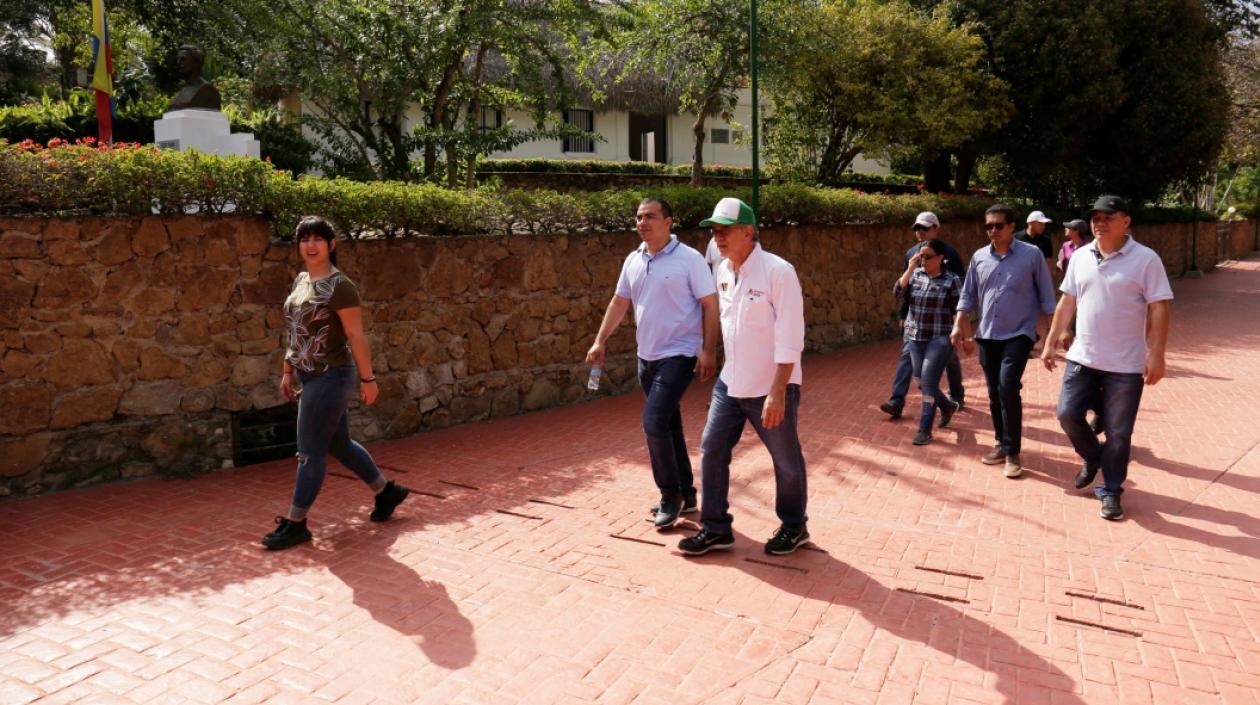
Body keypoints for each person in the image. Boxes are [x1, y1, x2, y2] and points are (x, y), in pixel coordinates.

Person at [263, 215, 409, 550]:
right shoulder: (302, 280)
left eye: (318, 238)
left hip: (331, 376)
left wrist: (368, 379)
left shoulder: (340, 285)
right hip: (308, 373)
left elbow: (356, 334)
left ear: (332, 245)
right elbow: (296, 331)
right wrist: (287, 369)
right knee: (338, 444)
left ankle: (296, 524)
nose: (310, 245)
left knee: (309, 453)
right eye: (304, 239)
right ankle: (387, 492)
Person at [678, 197, 809, 557]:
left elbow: (790, 335)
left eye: (725, 230)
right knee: (711, 449)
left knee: (785, 460)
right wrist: (708, 353)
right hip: (730, 382)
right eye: (714, 230)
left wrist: (778, 391)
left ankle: (795, 525)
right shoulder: (721, 269)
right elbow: (725, 323)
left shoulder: (778, 272)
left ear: (748, 232)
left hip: (770, 386)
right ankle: (716, 527)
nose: (717, 237)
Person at [586, 197, 719, 529]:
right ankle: (687, 494)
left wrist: (709, 350)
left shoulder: (689, 260)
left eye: (650, 217)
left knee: (654, 422)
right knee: (669, 425)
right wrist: (600, 340)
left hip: (680, 354)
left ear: (668, 221)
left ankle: (669, 495)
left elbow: (710, 305)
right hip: (646, 357)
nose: (642, 222)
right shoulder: (633, 259)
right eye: (638, 217)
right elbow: (620, 301)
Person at [1041, 196, 1173, 521]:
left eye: (1108, 217)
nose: (1100, 223)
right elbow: (1067, 300)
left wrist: (1156, 353)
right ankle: (1093, 456)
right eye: (1095, 217)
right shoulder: (1081, 255)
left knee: (1119, 433)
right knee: (1067, 415)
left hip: (1125, 367)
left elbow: (1159, 306)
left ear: (1126, 221)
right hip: (1082, 358)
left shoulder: (1146, 260)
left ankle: (1111, 491)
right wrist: (1051, 340)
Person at [951, 204, 1056, 479]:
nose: (993, 231)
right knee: (994, 392)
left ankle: (1012, 452)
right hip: (987, 334)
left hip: (1019, 333)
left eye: (998, 225)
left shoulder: (1031, 255)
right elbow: (967, 297)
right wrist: (958, 326)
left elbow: (1047, 297)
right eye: (988, 226)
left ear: (1012, 226)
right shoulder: (978, 257)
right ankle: (1001, 442)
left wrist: (1054, 335)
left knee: (1008, 386)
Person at [880, 211, 966, 419]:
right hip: (915, 320)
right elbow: (904, 287)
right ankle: (897, 400)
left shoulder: (950, 254)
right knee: (907, 357)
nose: (920, 232)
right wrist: (903, 315)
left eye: (925, 228)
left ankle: (956, 395)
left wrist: (959, 324)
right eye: (917, 228)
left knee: (951, 359)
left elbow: (960, 290)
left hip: (941, 323)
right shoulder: (911, 254)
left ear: (937, 229)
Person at [895, 239, 963, 445]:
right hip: (916, 336)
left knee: (928, 381)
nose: (923, 260)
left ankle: (925, 429)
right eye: (921, 256)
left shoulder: (951, 280)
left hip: (940, 337)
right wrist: (910, 268)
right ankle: (948, 406)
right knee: (920, 381)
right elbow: (897, 292)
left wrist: (964, 335)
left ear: (941, 258)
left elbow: (961, 309)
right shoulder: (915, 275)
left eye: (928, 256)